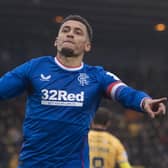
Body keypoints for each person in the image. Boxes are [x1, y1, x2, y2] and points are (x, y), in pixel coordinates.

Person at [0, 15, 167, 168]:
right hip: (32, 164)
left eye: (77, 32)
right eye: (65, 30)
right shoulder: (35, 67)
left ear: (87, 46)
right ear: (56, 41)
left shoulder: (97, 76)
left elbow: (122, 91)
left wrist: (143, 101)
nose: (70, 34)